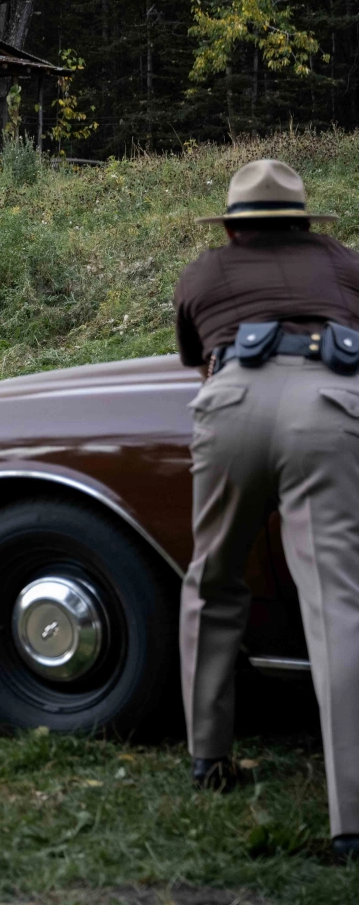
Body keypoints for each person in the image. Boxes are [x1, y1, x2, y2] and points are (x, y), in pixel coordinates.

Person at [175, 158, 359, 856]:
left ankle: (208, 758)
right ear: (309, 222)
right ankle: (351, 823)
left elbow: (196, 357)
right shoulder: (345, 264)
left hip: (234, 404)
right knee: (337, 602)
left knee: (214, 578)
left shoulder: (206, 272)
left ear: (230, 224)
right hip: (330, 405)